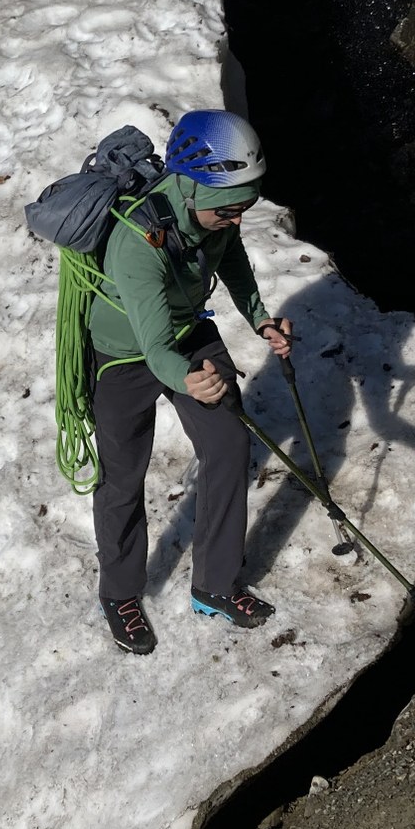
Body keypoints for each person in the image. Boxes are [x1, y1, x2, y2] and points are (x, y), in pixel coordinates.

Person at [87, 110, 293, 654]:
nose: (237, 218)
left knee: (228, 444)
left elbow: (234, 261)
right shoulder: (138, 241)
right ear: (192, 188)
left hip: (187, 332)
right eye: (228, 208)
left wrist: (261, 320)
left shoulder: (218, 214)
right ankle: (120, 592)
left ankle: (215, 585)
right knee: (122, 475)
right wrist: (187, 379)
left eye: (246, 206)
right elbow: (154, 347)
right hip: (123, 355)